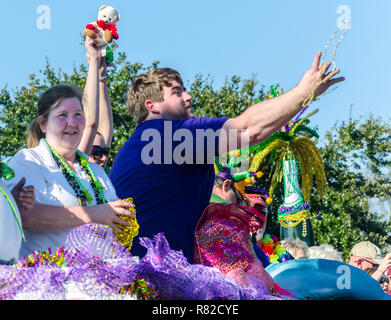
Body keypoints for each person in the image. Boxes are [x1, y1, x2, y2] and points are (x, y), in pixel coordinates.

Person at [109, 52, 344, 263]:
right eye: (177, 92)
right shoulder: (167, 135)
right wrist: (305, 91)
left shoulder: (138, 143)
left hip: (134, 271)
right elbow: (249, 129)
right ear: (152, 106)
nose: (188, 97)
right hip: (149, 277)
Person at [5, 85, 134, 259]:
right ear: (43, 124)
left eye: (78, 115)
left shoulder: (96, 171)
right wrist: (96, 214)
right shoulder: (29, 161)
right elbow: (24, 215)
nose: (72, 123)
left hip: (104, 279)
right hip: (51, 281)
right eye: (62, 115)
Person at [78, 36, 114, 171]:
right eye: (96, 152)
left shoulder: (103, 178)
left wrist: (101, 76)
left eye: (105, 152)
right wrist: (93, 62)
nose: (104, 158)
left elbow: (106, 131)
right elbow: (89, 124)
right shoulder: (78, 169)